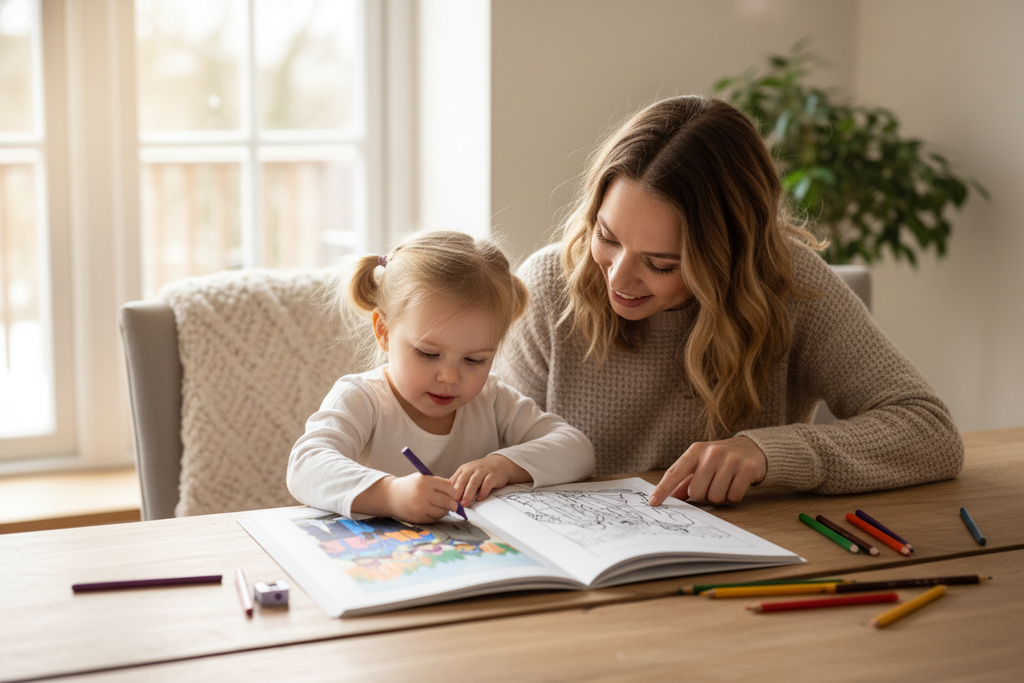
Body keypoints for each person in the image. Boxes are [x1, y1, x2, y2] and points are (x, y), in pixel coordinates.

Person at [494, 95, 963, 507]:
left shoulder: (789, 286)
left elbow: (930, 432)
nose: (618, 277)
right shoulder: (550, 284)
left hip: (755, 562)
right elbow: (489, 449)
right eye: (607, 236)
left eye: (661, 264)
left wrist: (765, 452)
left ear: (729, 257)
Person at [287, 230, 595, 523]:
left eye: (475, 360)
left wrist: (504, 465)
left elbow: (577, 449)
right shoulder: (362, 398)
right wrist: (390, 494)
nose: (449, 377)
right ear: (384, 331)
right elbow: (305, 465)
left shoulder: (493, 399)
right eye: (427, 353)